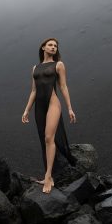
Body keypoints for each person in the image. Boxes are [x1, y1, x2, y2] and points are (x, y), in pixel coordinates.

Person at [22, 37, 77, 194]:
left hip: (53, 103)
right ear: (43, 47)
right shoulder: (35, 68)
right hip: (39, 106)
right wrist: (26, 110)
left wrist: (70, 108)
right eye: (50, 45)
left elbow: (63, 86)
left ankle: (48, 176)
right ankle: (49, 175)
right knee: (43, 139)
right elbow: (33, 91)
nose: (53, 47)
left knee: (48, 138)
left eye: (55, 46)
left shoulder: (58, 65)